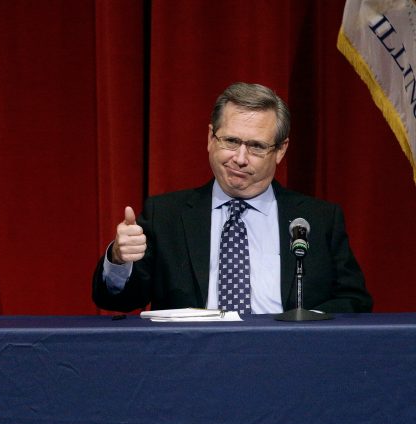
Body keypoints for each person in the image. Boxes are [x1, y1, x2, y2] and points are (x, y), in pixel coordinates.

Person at [92, 82, 372, 314]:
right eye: (231, 141)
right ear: (211, 138)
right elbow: (118, 301)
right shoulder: (166, 215)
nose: (239, 158)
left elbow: (355, 302)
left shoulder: (318, 219)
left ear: (280, 150)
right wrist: (118, 258)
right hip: (190, 364)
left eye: (256, 146)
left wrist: (304, 325)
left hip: (289, 359)